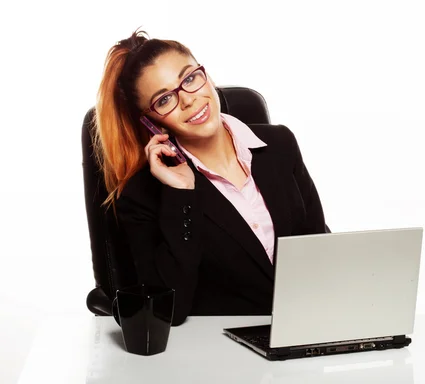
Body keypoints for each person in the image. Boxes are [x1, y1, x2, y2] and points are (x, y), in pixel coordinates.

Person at [94, 30, 328, 326]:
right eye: (165, 99)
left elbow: (318, 247)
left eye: (190, 79)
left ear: (207, 76)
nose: (189, 101)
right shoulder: (141, 194)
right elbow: (169, 311)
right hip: (219, 354)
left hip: (303, 333)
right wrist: (181, 192)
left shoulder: (280, 145)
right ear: (150, 121)